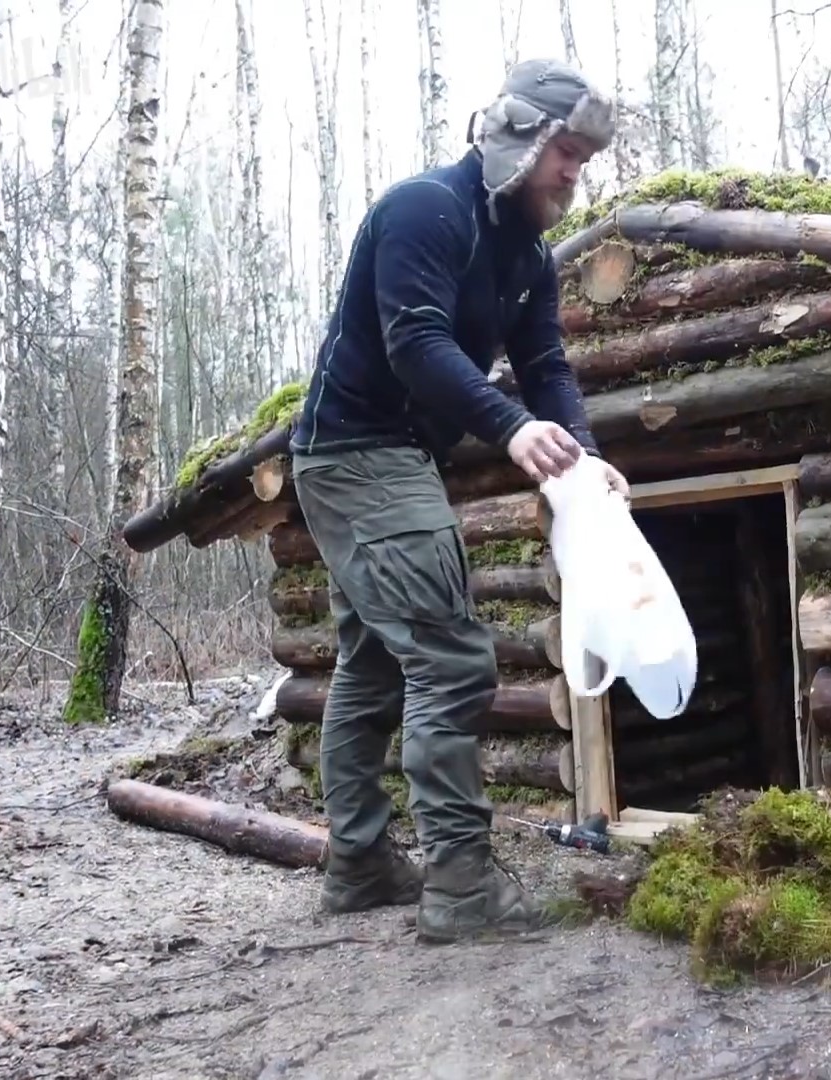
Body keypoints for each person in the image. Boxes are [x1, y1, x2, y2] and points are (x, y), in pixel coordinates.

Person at [286, 58, 628, 943]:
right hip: (356, 452)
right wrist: (512, 431)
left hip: (389, 459)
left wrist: (585, 460)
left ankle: (359, 864)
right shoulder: (423, 212)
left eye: (584, 160)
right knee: (449, 659)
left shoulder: (528, 255)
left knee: (371, 663)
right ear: (519, 136)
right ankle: (462, 884)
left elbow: (547, 365)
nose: (572, 173)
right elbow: (415, 343)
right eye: (566, 153)